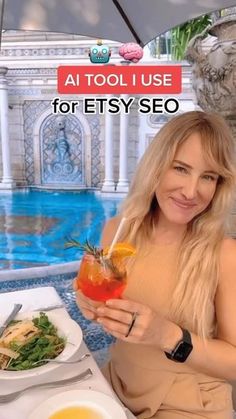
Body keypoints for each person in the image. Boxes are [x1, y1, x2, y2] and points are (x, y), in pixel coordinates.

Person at [74, 111, 236, 419]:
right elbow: (104, 296)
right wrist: (89, 300)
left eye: (208, 177)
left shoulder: (226, 255)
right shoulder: (117, 229)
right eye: (180, 168)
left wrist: (167, 335)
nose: (191, 192)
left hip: (190, 404)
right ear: (156, 168)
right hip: (118, 383)